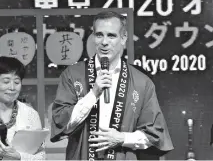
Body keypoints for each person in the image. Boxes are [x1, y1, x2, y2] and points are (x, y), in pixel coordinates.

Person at [51, 11, 174, 160]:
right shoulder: (72, 74)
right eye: (99, 35)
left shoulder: (142, 82)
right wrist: (93, 94)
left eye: (111, 35)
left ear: (123, 39)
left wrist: (122, 138)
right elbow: (62, 125)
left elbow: (155, 135)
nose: (104, 42)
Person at [0, 56, 45, 160]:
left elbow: (42, 157)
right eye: (6, 81)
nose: (12, 88)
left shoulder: (30, 114)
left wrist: (19, 156)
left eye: (16, 82)